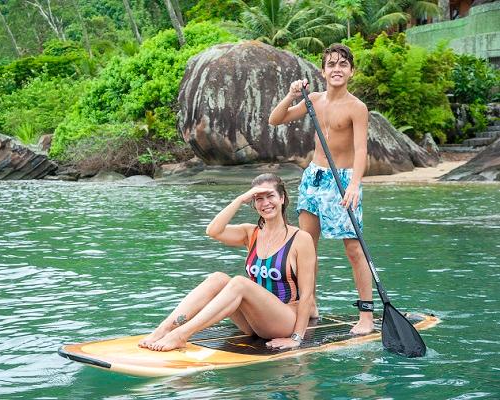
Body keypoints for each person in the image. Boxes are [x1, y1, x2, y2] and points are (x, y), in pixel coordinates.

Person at [139, 173, 317, 352]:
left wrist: (296, 338)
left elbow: (307, 295)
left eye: (270, 196)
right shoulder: (251, 233)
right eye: (258, 199)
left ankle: (180, 335)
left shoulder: (300, 239)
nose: (265, 203)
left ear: (282, 198)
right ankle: (164, 329)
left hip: (286, 320)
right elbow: (213, 231)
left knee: (240, 283)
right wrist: (240, 199)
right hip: (255, 322)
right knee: (218, 278)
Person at [268, 44, 374, 335]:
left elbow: (361, 148)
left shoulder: (357, 107)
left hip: (343, 181)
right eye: (331, 64)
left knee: (354, 250)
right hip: (313, 178)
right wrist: (291, 94)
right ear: (322, 71)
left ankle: (366, 316)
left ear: (351, 71)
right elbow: (275, 119)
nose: (336, 69)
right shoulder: (313, 99)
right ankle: (309, 303)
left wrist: (354, 184)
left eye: (342, 64)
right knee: (306, 247)